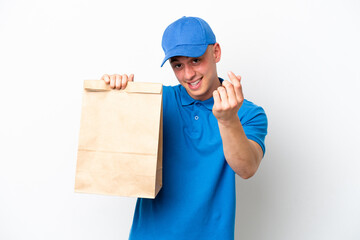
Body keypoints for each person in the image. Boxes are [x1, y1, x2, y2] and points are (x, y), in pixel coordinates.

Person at [101, 16, 268, 240]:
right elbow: (115, 149)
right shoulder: (159, 101)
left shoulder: (248, 113)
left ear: (216, 52)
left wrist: (228, 119)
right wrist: (116, 95)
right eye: (178, 65)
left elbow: (247, 168)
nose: (188, 74)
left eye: (196, 60)